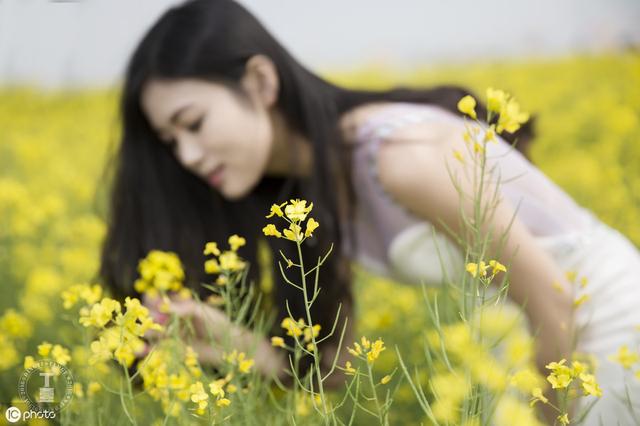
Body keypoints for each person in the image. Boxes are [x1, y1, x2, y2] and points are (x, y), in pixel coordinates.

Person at [98, 0, 640, 423]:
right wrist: (235, 343)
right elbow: (334, 368)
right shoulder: (311, 190)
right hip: (530, 338)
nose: (188, 156)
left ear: (261, 83)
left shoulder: (400, 160)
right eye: (171, 141)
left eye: (193, 124)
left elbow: (555, 299)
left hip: (602, 330)